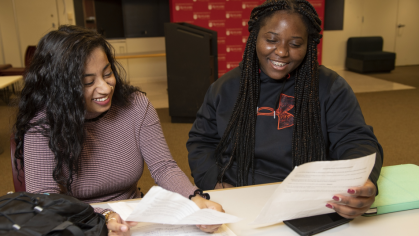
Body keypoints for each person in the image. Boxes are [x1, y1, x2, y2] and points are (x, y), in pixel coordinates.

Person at [13, 25, 223, 235]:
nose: (105, 88)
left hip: (132, 220)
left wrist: (194, 199)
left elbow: (164, 167)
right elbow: (45, 197)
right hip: (74, 223)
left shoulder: (136, 106)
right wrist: (101, 216)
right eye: (88, 82)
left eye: (107, 73)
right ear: (61, 88)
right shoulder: (42, 123)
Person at [187, 0, 383, 219]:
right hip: (238, 197)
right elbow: (201, 142)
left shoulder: (330, 87)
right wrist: (215, 183)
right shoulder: (225, 88)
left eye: (296, 44)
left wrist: (361, 182)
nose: (281, 51)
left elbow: (356, 140)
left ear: (309, 44)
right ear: (255, 37)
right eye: (271, 39)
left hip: (307, 203)